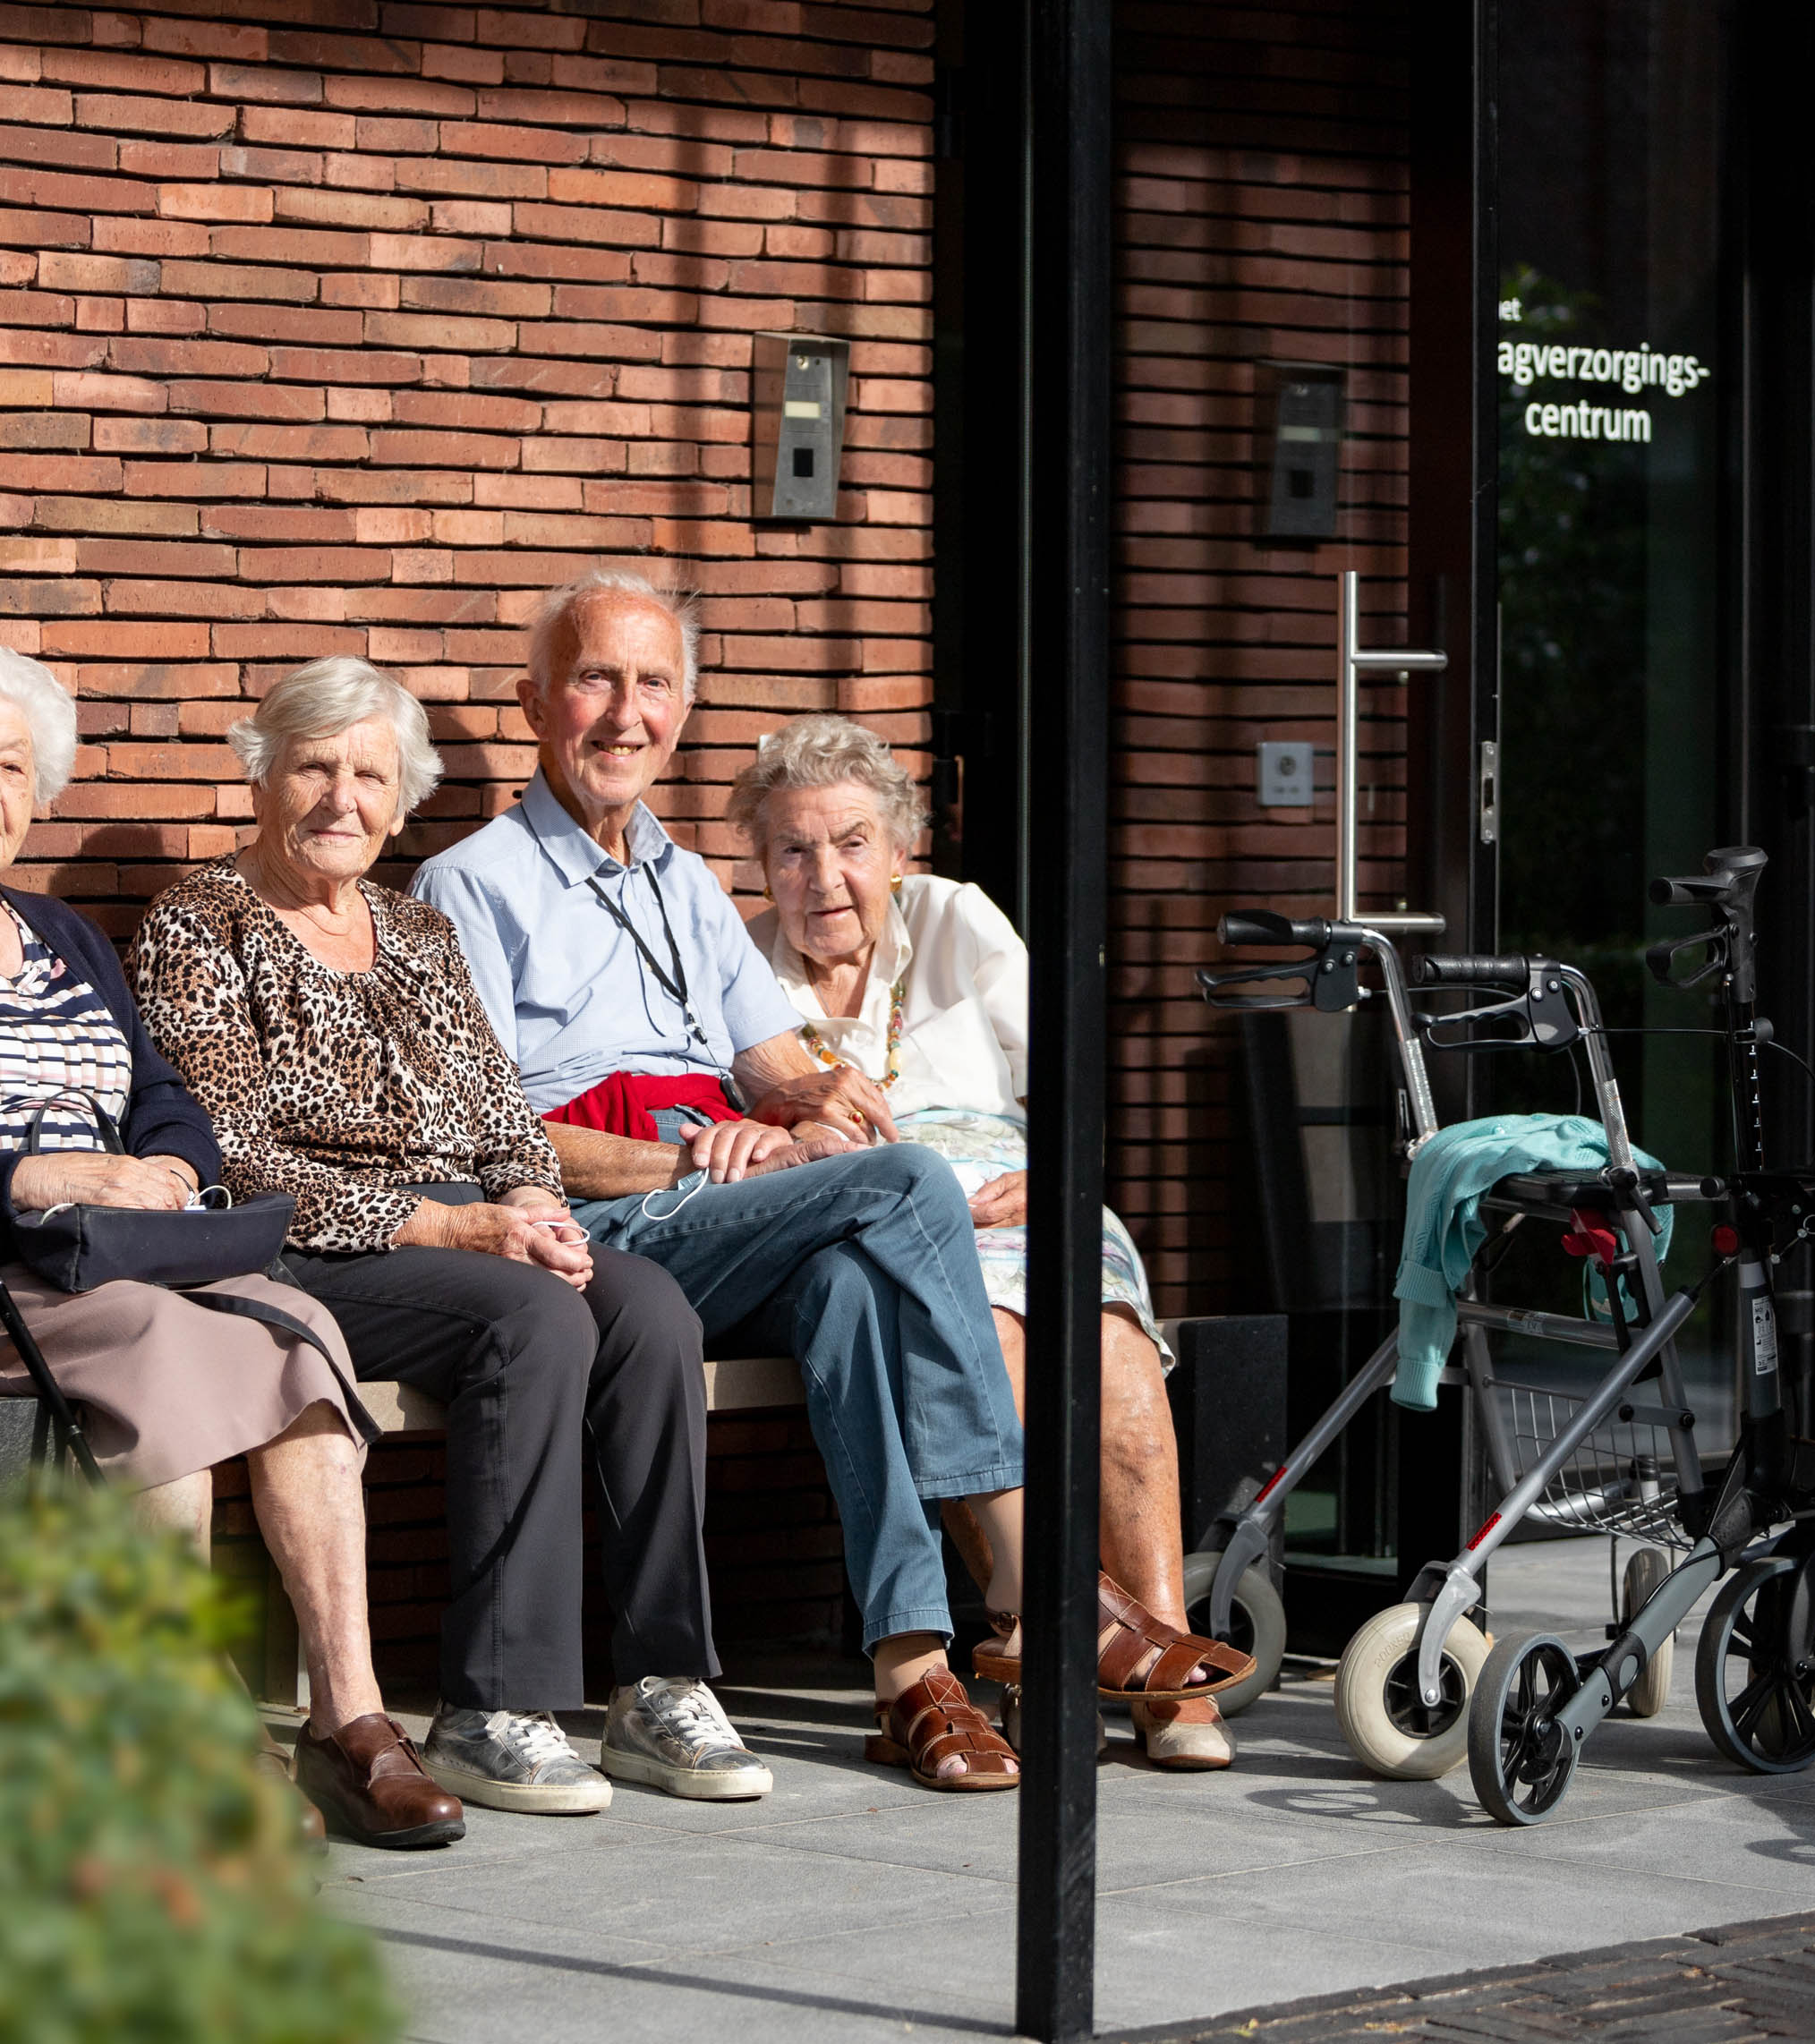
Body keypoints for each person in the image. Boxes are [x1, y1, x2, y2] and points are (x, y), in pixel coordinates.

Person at [415, 569, 1248, 1785]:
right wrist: (701, 1154)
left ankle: (913, 1670)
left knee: (858, 1285)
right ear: (536, 700)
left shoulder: (684, 883)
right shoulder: (470, 885)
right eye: (596, 678)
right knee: (907, 1187)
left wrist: (804, 1108)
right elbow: (483, 1134)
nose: (624, 713)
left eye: (654, 685)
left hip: (717, 1216)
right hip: (604, 1220)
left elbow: (774, 1067)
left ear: (683, 708)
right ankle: (1035, 1588)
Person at [0, 626, 465, 1852]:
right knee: (159, 1348)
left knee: (300, 1325)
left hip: (104, 1255)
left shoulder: (60, 938)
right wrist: (22, 1176)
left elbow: (161, 1097)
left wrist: (170, 1166)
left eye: (13, 768)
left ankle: (346, 1718)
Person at [129, 656, 769, 1817]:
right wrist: (453, 1224)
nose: (341, 798)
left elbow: (499, 1114)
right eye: (314, 767)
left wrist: (529, 1206)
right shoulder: (198, 922)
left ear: (401, 795)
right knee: (529, 1319)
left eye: (369, 775)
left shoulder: (417, 931)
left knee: (641, 1306)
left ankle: (659, 1678)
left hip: (457, 1235)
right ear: (262, 774)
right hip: (299, 1244)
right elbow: (234, 1157)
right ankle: (492, 1705)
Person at [734, 714, 1236, 1768]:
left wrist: (1057, 1174)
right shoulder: (738, 967)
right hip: (875, 1205)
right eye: (792, 848)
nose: (825, 875)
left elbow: (1060, 1071)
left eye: (852, 842)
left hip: (1017, 1179)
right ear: (761, 861)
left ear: (900, 850)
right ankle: (1028, 1636)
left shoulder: (958, 919)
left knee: (1112, 1352)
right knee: (982, 1342)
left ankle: (1159, 1651)